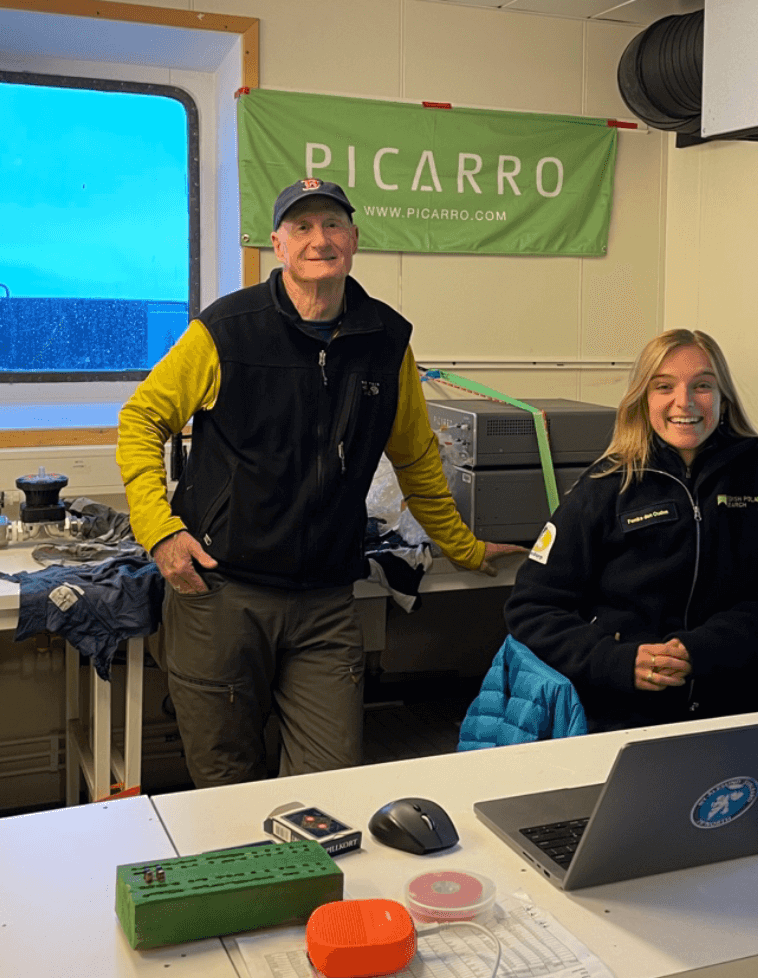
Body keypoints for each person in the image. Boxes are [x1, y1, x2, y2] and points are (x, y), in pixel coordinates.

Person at [118, 177, 525, 786]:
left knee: (330, 785)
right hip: (222, 594)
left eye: (333, 225)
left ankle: (317, 884)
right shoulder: (225, 332)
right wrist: (159, 531)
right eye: (302, 228)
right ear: (278, 245)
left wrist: (462, 548)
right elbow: (140, 420)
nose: (320, 239)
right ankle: (250, 882)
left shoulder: (386, 342)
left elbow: (416, 459)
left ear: (354, 240)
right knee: (224, 779)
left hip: (326, 604)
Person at [505, 328, 758, 732]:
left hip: (731, 707)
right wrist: (616, 661)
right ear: (643, 398)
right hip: (619, 713)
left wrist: (700, 650)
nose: (684, 402)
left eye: (702, 385)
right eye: (663, 386)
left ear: (723, 396)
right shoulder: (607, 483)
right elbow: (532, 608)